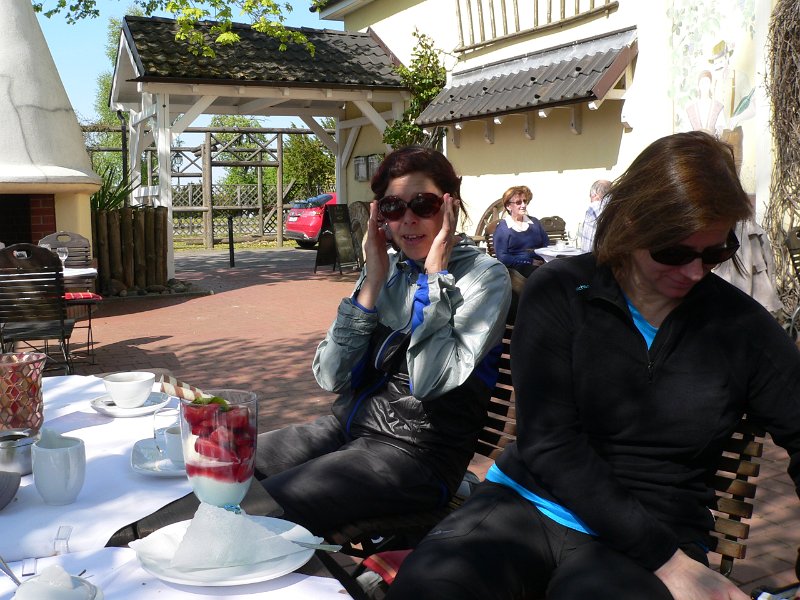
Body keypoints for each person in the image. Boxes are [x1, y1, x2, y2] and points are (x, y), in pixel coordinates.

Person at [387, 131, 800, 600]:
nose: (694, 271)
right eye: (674, 252)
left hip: (656, 527)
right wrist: (667, 563)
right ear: (631, 222)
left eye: (715, 252)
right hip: (528, 504)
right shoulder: (562, 290)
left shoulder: (740, 328)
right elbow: (549, 442)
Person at [254, 146, 512, 535]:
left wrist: (435, 279)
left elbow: (428, 383)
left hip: (417, 454)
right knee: (227, 461)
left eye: (423, 204)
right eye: (393, 207)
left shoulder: (484, 277)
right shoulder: (387, 267)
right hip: (347, 427)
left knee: (265, 508)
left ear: (450, 207)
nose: (408, 219)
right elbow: (331, 376)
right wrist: (372, 282)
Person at [492, 185, 549, 277]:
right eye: (518, 202)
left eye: (524, 201)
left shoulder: (534, 222)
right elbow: (503, 258)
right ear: (508, 206)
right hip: (518, 269)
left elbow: (546, 245)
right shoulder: (503, 228)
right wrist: (530, 261)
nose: (523, 205)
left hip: (542, 265)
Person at [578, 178, 611, 251]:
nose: (590, 200)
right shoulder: (619, 206)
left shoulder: (595, 207)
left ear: (595, 195)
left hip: (596, 255)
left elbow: (587, 247)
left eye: (590, 196)